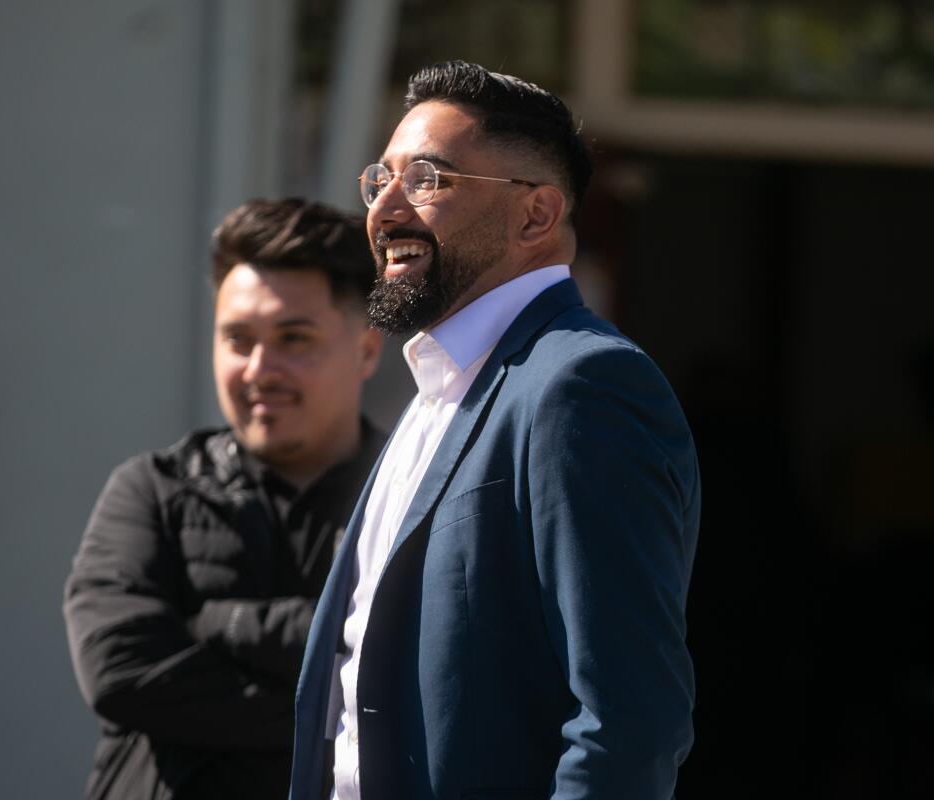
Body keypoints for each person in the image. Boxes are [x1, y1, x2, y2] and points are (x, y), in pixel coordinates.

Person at [288, 61, 701, 800]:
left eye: (426, 179)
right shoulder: (438, 388)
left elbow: (628, 719)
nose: (384, 209)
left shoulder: (582, 386)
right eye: (379, 180)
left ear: (537, 216)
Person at [64, 198, 386, 799]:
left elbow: (415, 666)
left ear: (366, 350)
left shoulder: (411, 500)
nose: (260, 369)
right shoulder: (154, 490)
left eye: (294, 338)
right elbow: (120, 670)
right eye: (238, 339)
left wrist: (224, 625)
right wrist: (331, 713)